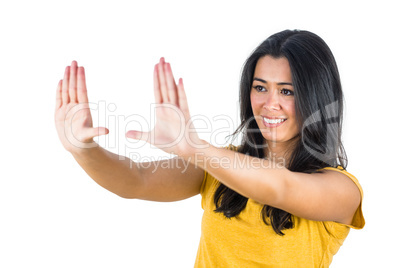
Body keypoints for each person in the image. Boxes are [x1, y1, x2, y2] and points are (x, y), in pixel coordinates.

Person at [54, 29, 365, 267]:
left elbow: (279, 188)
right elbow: (137, 179)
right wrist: (84, 150)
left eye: (287, 91)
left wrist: (195, 149)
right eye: (260, 87)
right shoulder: (221, 165)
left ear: (316, 98)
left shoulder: (341, 189)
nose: (270, 104)